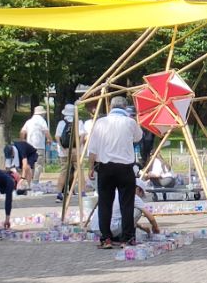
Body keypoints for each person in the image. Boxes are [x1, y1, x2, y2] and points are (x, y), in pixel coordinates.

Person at [86, 97, 143, 249]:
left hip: (105, 167)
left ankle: (106, 239)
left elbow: (92, 149)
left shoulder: (100, 122)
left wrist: (90, 167)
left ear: (110, 107)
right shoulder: (130, 122)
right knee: (127, 204)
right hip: (125, 168)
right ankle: (127, 238)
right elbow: (138, 137)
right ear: (125, 108)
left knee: (105, 204)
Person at [86, 180, 160, 240]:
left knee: (125, 212)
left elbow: (122, 218)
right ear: (138, 189)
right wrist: (155, 227)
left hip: (96, 228)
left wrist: (142, 227)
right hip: (111, 229)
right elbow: (150, 216)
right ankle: (126, 236)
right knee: (138, 211)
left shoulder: (115, 193)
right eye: (141, 194)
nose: (141, 197)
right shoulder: (133, 196)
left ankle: (111, 237)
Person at [20, 105, 50, 185]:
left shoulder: (29, 121)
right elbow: (46, 131)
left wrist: (23, 140)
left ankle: (29, 181)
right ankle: (35, 181)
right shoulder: (42, 121)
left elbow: (22, 132)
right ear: (42, 114)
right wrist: (50, 139)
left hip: (29, 146)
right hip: (39, 146)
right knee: (38, 164)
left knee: (30, 164)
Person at [55, 103, 77, 202]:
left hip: (63, 151)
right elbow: (82, 136)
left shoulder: (61, 123)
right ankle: (78, 191)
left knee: (64, 171)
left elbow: (57, 136)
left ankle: (59, 192)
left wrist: (62, 147)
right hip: (75, 150)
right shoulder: (78, 122)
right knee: (77, 170)